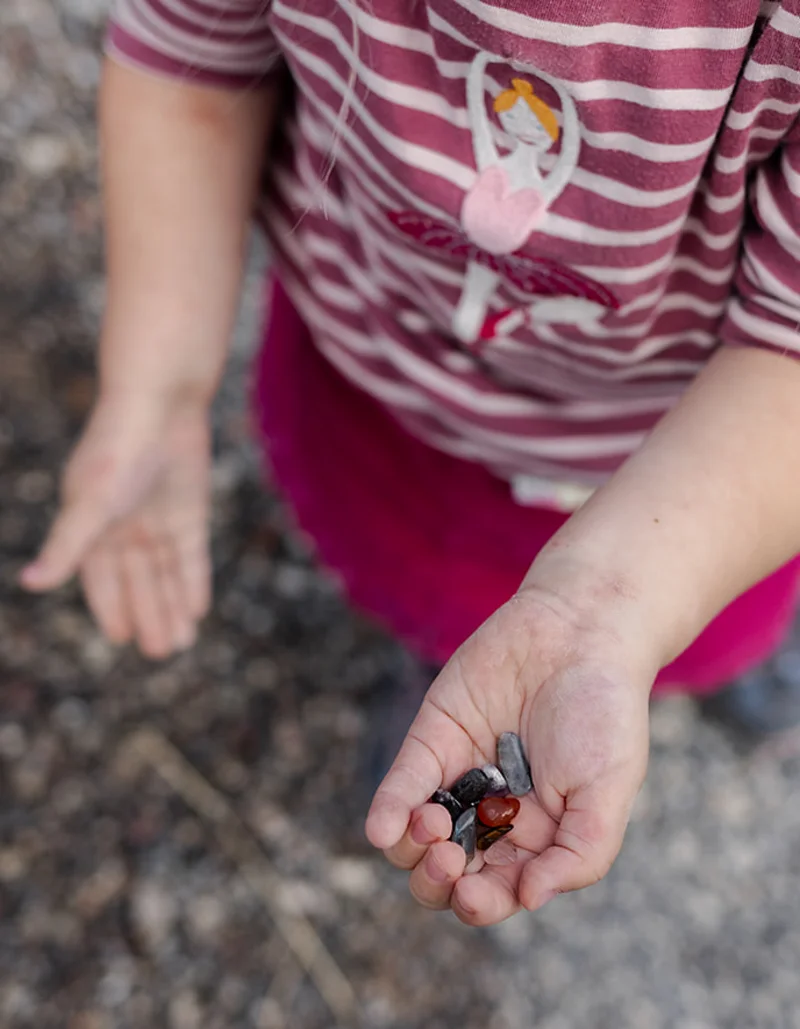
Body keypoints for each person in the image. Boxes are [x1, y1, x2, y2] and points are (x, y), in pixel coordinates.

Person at [20, 0, 800, 924]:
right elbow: (188, 61)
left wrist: (611, 608)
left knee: (688, 612)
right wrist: (154, 395)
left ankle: (695, 651)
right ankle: (447, 660)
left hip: (700, 469)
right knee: (436, 590)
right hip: (384, 382)